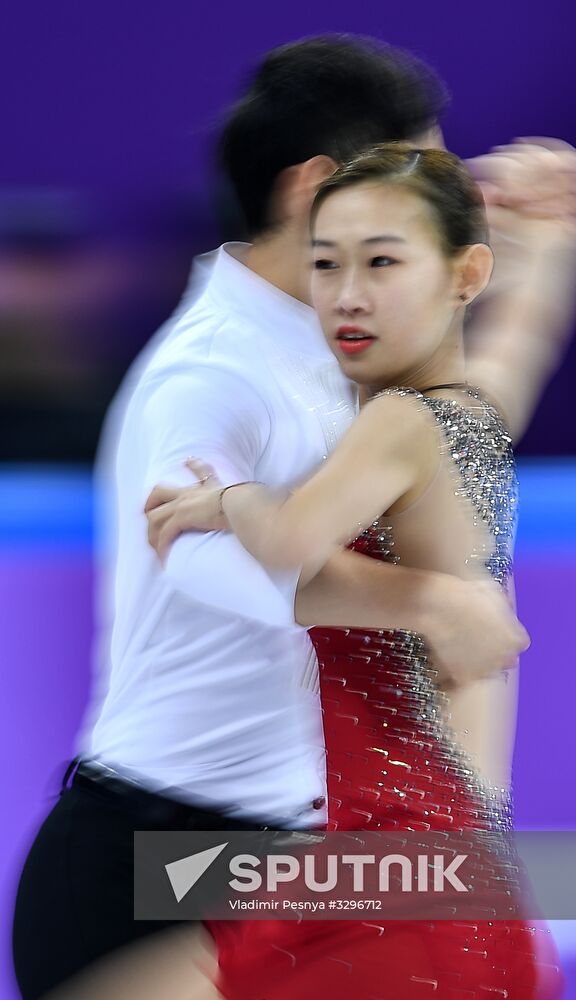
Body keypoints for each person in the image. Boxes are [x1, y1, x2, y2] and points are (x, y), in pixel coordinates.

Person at [12, 36, 538, 1000]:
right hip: (160, 860)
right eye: (415, 166)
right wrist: (431, 601)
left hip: (301, 858)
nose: (440, 184)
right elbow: (206, 559)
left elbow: (484, 399)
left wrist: (541, 257)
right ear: (317, 191)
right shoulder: (211, 369)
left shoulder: (357, 351)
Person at [142, 142, 576, 999]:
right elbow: (525, 333)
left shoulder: (397, 422)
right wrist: (552, 241)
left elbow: (290, 542)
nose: (345, 295)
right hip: (447, 872)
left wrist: (224, 499)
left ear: (463, 274)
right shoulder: (475, 413)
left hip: (393, 880)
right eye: (324, 264)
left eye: (380, 262)